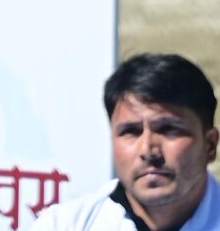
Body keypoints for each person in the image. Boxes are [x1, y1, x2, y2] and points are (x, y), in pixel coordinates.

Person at [33, 53, 220, 231]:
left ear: (210, 146)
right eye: (131, 131)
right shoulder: (64, 225)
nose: (148, 150)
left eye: (168, 129)